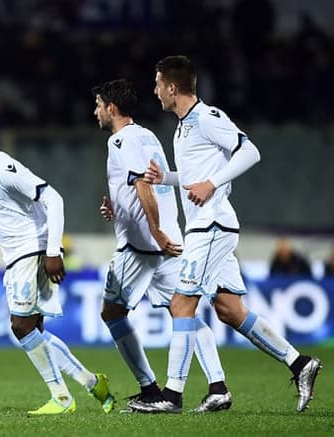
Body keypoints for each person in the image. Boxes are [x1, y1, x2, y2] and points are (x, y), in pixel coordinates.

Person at [130, 55, 321, 413]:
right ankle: (299, 364)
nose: (154, 91)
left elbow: (251, 151)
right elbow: (194, 177)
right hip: (208, 227)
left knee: (181, 303)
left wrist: (214, 183)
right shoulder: (183, 127)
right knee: (230, 310)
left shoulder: (207, 118)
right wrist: (165, 178)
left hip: (212, 226)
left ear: (172, 87)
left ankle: (171, 395)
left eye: (157, 84)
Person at [0, 102, 114, 415]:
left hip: (32, 248)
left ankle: (62, 399)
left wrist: (54, 251)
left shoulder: (6, 168)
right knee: (33, 329)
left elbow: (54, 198)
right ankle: (92, 382)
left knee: (20, 326)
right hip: (14, 255)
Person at [92, 78, 231, 413]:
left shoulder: (121, 141)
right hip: (170, 242)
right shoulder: (147, 135)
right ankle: (218, 386)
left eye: (98, 104)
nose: (94, 111)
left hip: (143, 248)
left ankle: (150, 388)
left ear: (111, 108)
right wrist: (120, 209)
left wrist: (153, 231)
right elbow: (149, 183)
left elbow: (144, 185)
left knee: (112, 313)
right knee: (183, 311)